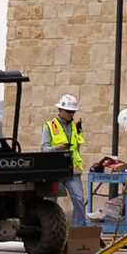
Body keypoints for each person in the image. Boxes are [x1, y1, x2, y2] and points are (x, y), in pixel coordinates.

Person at [44, 93, 91, 223]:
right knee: (49, 203)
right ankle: (49, 229)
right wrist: (57, 149)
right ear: (60, 110)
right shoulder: (50, 126)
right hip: (55, 171)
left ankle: (79, 233)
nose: (71, 114)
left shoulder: (76, 126)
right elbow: (44, 149)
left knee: (79, 201)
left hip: (72, 171)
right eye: (69, 111)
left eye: (73, 112)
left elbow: (77, 149)